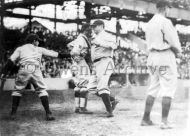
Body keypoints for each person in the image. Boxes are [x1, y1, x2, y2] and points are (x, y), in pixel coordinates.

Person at [0, 33, 71, 121]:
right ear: (34, 41)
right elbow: (56, 54)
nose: (38, 43)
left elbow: (10, 61)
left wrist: (4, 72)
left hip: (24, 69)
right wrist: (69, 55)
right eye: (37, 41)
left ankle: (13, 114)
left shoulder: (20, 49)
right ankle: (48, 113)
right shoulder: (39, 49)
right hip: (36, 70)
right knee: (42, 90)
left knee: (17, 91)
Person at [141, 1, 182, 129]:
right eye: (168, 8)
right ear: (165, 8)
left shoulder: (150, 23)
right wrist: (179, 53)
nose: (169, 10)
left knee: (153, 88)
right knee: (168, 88)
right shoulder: (165, 22)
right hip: (164, 56)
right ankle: (164, 122)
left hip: (152, 57)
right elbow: (174, 43)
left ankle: (145, 118)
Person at [91, 20, 119, 117]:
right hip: (97, 64)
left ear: (101, 26)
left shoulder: (107, 35)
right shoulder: (95, 37)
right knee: (91, 88)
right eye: (92, 26)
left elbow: (114, 45)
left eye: (95, 26)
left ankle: (109, 111)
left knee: (102, 86)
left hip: (105, 61)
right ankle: (112, 99)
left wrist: (101, 43)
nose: (93, 28)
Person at [67, 23, 93, 114]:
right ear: (85, 30)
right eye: (89, 30)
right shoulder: (82, 39)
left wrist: (74, 57)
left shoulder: (79, 38)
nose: (90, 32)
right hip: (80, 63)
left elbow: (69, 45)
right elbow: (74, 51)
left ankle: (77, 107)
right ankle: (82, 108)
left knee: (78, 86)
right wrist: (78, 56)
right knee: (85, 85)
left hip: (75, 64)